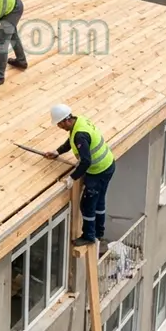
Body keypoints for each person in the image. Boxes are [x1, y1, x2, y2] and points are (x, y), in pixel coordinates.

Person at [44, 104, 115, 246]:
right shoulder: (80, 121)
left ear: (66, 120)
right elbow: (72, 141)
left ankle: (89, 236)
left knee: (88, 205)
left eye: (59, 124)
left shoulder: (80, 135)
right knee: (99, 201)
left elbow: (86, 162)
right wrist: (58, 151)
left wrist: (72, 177)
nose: (59, 127)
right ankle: (99, 231)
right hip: (108, 164)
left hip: (98, 171)